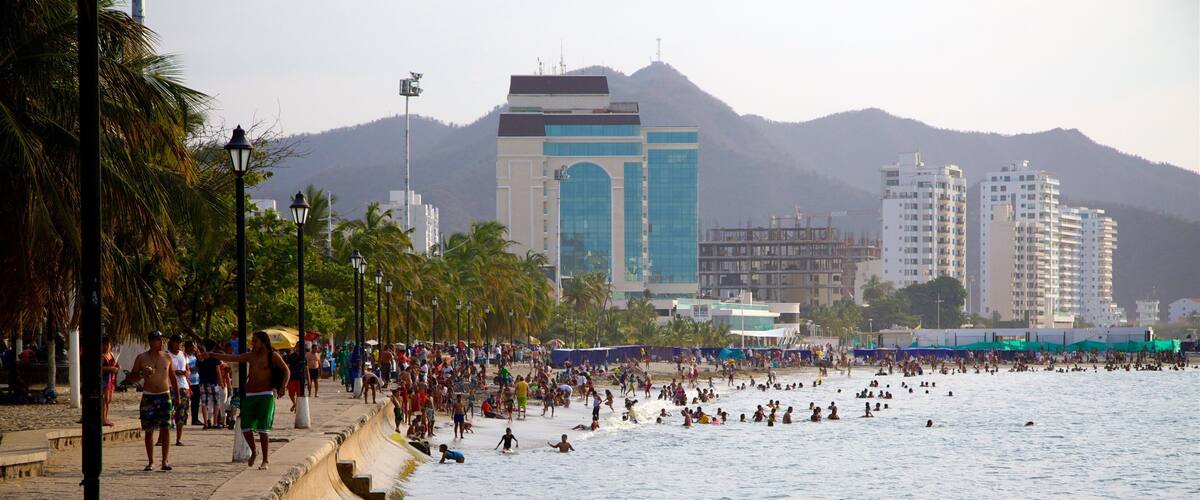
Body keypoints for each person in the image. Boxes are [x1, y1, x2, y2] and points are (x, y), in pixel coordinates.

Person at [207, 330, 290, 470]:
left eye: (255, 341)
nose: (253, 343)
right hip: (250, 394)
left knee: (264, 429)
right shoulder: (250, 356)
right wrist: (210, 354)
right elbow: (231, 357)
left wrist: (283, 386)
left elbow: (287, 371)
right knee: (245, 426)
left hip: (266, 394)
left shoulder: (272, 356)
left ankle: (265, 460)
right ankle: (254, 450)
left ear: (263, 342)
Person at [123, 330, 178, 471]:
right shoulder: (142, 358)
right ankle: (151, 461)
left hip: (164, 395)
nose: (159, 342)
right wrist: (142, 373)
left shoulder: (167, 357)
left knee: (166, 428)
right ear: (151, 341)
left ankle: (165, 460)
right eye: (157, 340)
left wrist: (176, 395)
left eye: (161, 340)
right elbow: (132, 378)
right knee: (149, 429)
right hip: (149, 396)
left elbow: (172, 377)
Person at [167, 335, 191, 446]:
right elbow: (167, 370)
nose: (178, 344)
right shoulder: (167, 355)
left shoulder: (183, 354)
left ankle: (178, 439)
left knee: (182, 413)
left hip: (183, 386)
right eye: (176, 342)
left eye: (179, 342)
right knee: (168, 412)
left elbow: (187, 369)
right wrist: (176, 372)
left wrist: (186, 373)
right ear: (171, 342)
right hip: (170, 385)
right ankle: (162, 438)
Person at [196, 340, 223, 428]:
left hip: (202, 382)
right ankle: (215, 423)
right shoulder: (215, 358)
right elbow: (218, 371)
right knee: (216, 402)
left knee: (204, 403)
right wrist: (221, 382)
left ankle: (206, 423)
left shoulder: (200, 358)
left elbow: (198, 368)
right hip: (213, 382)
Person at [100, 337, 119, 427]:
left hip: (111, 379)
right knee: (104, 399)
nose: (106, 346)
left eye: (108, 344)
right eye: (104, 344)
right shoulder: (102, 356)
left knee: (108, 400)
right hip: (104, 380)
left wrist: (117, 367)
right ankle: (103, 418)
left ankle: (105, 417)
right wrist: (110, 369)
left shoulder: (111, 354)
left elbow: (115, 365)